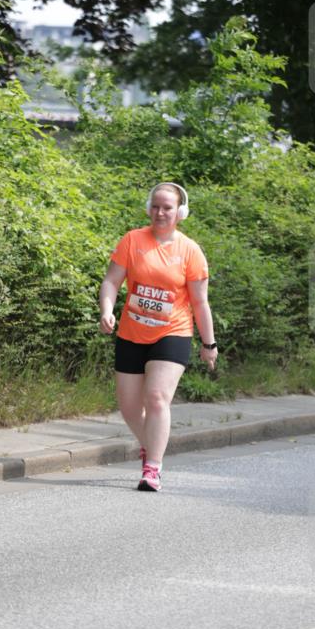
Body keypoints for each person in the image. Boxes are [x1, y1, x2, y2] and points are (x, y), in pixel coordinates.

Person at [99, 182, 217, 491]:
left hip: (172, 332)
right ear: (148, 208)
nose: (160, 212)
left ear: (180, 212)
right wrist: (106, 310)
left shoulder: (190, 251)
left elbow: (200, 302)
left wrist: (209, 343)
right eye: (155, 206)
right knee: (128, 409)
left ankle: (153, 467)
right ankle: (151, 445)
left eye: (167, 208)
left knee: (156, 397)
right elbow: (111, 281)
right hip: (131, 332)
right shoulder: (132, 240)